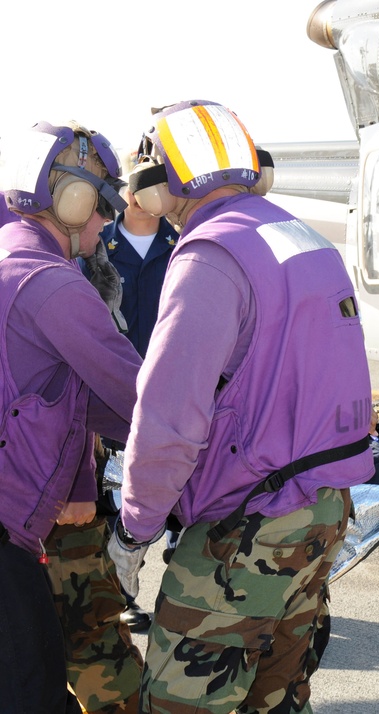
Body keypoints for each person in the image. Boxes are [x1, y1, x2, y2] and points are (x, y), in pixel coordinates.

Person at [111, 100, 375, 713]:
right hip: (321, 508)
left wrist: (134, 530)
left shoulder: (209, 256)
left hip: (249, 524)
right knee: (276, 697)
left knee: (183, 703)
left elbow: (169, 416)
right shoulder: (302, 237)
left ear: (163, 181)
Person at [0, 122, 143, 714]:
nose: (107, 222)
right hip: (7, 535)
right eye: (103, 203)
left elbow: (81, 399)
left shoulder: (12, 259)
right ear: (72, 200)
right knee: (32, 692)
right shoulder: (54, 285)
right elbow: (145, 398)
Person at [90, 177, 179, 628]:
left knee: (181, 498)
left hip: (175, 393)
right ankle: (120, 596)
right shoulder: (95, 243)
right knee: (114, 502)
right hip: (113, 394)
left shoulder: (183, 242)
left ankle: (185, 595)